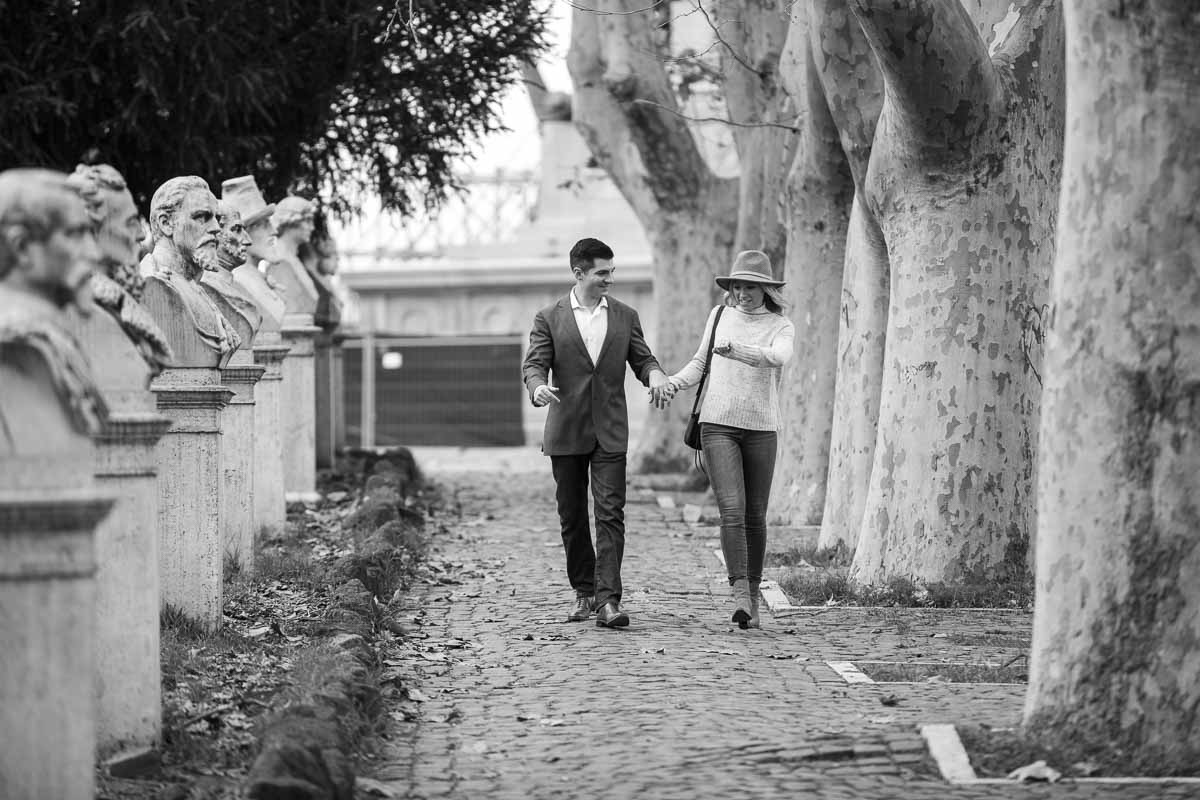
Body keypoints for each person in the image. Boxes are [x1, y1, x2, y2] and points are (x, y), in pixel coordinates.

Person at [522, 237, 672, 628]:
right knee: (572, 517)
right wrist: (538, 388)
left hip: (610, 432)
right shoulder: (548, 318)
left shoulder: (625, 315)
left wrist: (655, 374)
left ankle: (609, 602)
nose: (609, 279)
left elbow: (643, 359)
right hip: (566, 430)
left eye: (611, 271)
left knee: (610, 514)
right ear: (579, 273)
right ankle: (584, 592)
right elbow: (534, 364)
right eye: (602, 272)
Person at [666, 250, 795, 629]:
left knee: (756, 516)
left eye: (750, 287)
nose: (742, 293)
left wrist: (738, 351)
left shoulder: (781, 325)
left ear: (766, 289)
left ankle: (753, 599)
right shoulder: (719, 315)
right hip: (717, 424)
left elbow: (778, 357)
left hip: (761, 428)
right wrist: (672, 383)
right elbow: (700, 364)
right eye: (737, 286)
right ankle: (739, 593)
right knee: (733, 511)